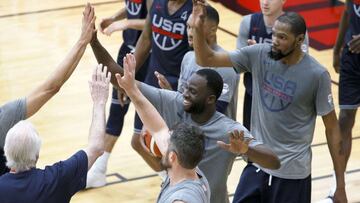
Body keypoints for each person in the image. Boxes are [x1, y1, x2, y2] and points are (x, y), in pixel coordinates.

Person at [191, 2, 347, 202]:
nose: (275, 41)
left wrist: (340, 185)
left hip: (292, 175)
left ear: (300, 40)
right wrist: (197, 27)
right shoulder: (258, 54)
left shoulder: (317, 76)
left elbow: (332, 129)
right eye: (274, 34)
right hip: (257, 164)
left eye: (282, 37)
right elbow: (207, 59)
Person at [111, 53, 280, 203]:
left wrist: (247, 149)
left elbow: (274, 161)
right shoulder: (198, 174)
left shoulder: (227, 130)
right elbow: (158, 129)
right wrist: (131, 89)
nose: (184, 94)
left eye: (192, 91)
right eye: (185, 89)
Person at [89, 0, 193, 175]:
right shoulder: (160, 4)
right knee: (139, 141)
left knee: (175, 144)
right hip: (153, 78)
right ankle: (168, 178)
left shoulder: (192, 11)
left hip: (177, 86)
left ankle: (181, 181)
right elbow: (146, 39)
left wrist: (124, 23)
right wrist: (129, 77)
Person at [0, 3, 96, 176]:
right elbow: (50, 88)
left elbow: (50, 88)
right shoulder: (3, 118)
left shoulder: (5, 117)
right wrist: (82, 41)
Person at [0, 62, 110, 202]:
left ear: (6, 152)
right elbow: (96, 147)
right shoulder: (56, 179)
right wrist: (99, 101)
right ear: (37, 155)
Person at [116, 54, 211, 203]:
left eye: (168, 140)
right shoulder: (190, 170)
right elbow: (158, 128)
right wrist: (131, 89)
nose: (164, 139)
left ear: (173, 157)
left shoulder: (183, 198)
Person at [86, 0, 150, 188]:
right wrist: (116, 17)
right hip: (128, 49)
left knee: (144, 130)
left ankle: (168, 173)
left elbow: (153, 21)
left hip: (146, 55)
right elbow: (134, 9)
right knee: (116, 111)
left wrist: (125, 23)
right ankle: (99, 170)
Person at [155, 5, 240, 120]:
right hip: (190, 131)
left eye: (196, 28)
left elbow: (213, 114)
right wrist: (170, 93)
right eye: (188, 27)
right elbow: (183, 102)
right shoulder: (188, 57)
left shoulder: (225, 64)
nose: (190, 33)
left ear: (213, 30)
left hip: (214, 136)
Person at [236, 0, 309, 130]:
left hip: (281, 97)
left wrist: (259, 57)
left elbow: (299, 67)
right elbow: (238, 65)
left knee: (276, 145)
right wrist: (252, 56)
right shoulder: (248, 22)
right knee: (249, 142)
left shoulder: (295, 28)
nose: (265, 2)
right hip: (253, 94)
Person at [329, 0, 360, 200]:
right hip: (351, 58)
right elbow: (348, 12)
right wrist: (336, 48)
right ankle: (337, 182)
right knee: (345, 119)